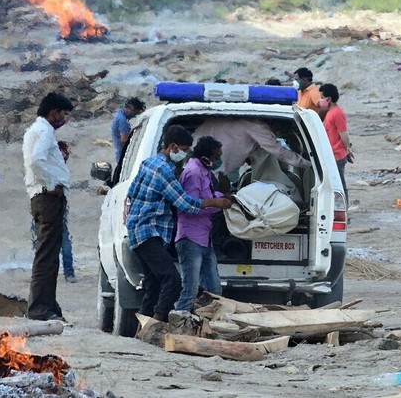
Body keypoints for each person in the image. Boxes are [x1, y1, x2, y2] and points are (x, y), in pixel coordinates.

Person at [126, 125, 232, 322]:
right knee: (172, 280)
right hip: (148, 231)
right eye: (183, 150)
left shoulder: (149, 163)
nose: (184, 155)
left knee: (154, 284)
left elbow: (132, 192)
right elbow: (185, 203)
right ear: (172, 147)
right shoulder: (164, 170)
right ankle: (158, 322)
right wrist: (214, 202)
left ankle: (143, 328)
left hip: (141, 229)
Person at [23, 92, 74, 321]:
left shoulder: (38, 130)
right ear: (54, 112)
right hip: (48, 198)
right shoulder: (44, 131)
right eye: (63, 114)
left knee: (51, 254)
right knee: (46, 255)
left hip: (45, 197)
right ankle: (39, 308)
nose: (64, 119)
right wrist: (52, 184)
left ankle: (49, 305)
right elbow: (36, 160)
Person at [174, 136, 226, 313]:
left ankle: (204, 323)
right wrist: (215, 203)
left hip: (204, 237)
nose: (217, 161)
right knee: (190, 290)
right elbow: (190, 205)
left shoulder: (204, 172)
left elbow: (208, 195)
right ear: (205, 157)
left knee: (214, 290)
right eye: (215, 157)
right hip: (190, 237)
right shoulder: (193, 173)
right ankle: (179, 323)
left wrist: (223, 198)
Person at [193, 117, 311, 177]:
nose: (276, 134)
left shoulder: (247, 121)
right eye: (278, 131)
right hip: (207, 161)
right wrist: (308, 165)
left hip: (201, 151)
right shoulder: (257, 127)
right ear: (275, 125)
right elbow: (279, 152)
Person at [30, 140, 76, 282]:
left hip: (47, 206)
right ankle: (67, 272)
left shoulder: (49, 167)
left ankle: (45, 272)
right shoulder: (59, 168)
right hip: (52, 206)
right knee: (61, 239)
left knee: (43, 240)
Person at [319, 83, 352, 199]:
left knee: (340, 186)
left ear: (329, 99)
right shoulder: (330, 112)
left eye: (322, 97)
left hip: (337, 155)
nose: (320, 100)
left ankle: (344, 211)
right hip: (331, 154)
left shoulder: (337, 113)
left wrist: (348, 149)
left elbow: (344, 134)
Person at [111, 97, 145, 164]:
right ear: (129, 108)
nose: (135, 116)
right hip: (123, 154)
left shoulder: (119, 113)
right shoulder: (123, 121)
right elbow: (124, 139)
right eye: (135, 112)